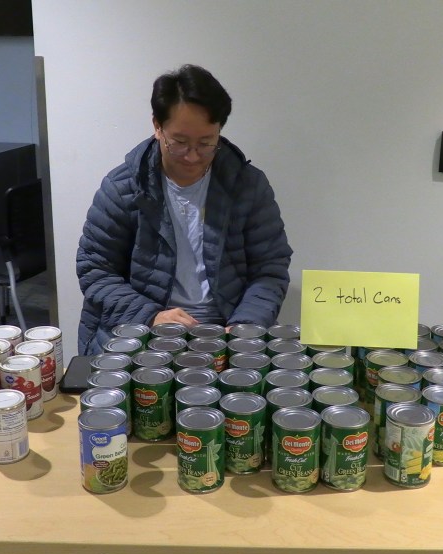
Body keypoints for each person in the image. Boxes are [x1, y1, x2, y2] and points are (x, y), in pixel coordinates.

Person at [76, 64, 293, 355]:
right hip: (145, 328)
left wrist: (245, 325)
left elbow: (270, 269)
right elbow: (95, 269)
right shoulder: (123, 187)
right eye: (179, 143)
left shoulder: (247, 186)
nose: (192, 156)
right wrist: (150, 317)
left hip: (226, 328)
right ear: (157, 127)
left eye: (206, 143)